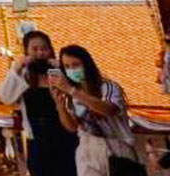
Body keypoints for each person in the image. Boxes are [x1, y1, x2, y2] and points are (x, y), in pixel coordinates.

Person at [51, 44, 145, 176]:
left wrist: (73, 92)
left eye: (75, 65)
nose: (71, 69)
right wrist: (59, 105)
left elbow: (109, 110)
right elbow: (72, 127)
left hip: (117, 147)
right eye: (67, 66)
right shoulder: (71, 96)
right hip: (88, 149)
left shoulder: (107, 87)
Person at [0, 30, 78, 176]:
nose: (40, 53)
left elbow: (79, 93)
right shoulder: (24, 76)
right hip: (38, 140)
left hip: (66, 136)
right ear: (27, 52)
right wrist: (16, 69)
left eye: (44, 49)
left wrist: (64, 69)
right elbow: (5, 97)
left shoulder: (59, 72)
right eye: (35, 49)